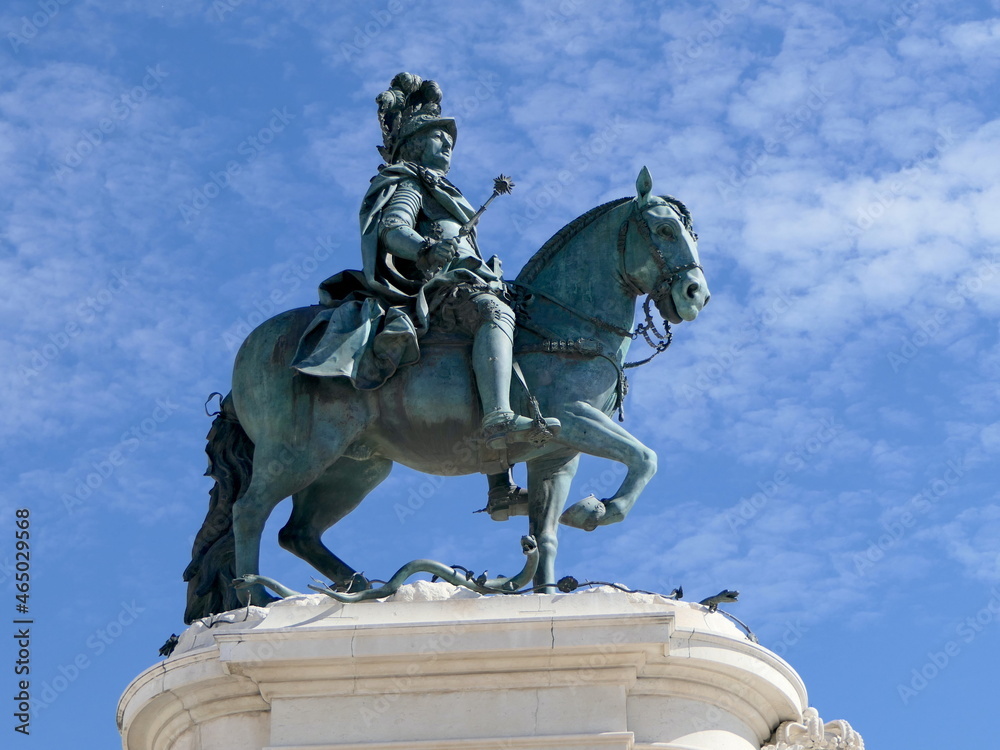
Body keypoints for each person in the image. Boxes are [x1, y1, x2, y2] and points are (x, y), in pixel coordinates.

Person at [294, 72, 558, 460]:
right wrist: (425, 249)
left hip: (471, 277)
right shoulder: (409, 182)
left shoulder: (448, 191)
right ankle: (499, 418)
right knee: (492, 311)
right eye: (439, 137)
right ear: (415, 144)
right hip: (433, 284)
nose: (448, 145)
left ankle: (501, 475)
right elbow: (392, 229)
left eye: (451, 141)